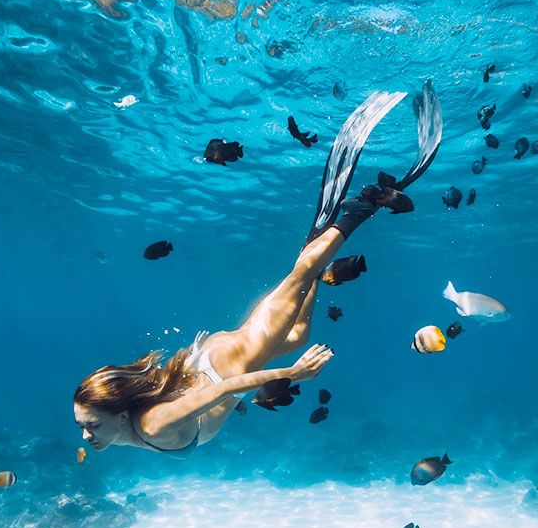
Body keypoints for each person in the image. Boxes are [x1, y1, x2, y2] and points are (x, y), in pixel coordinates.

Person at [73, 82, 442, 456]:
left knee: (297, 281)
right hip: (214, 359)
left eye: (90, 424)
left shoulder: (152, 424)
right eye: (83, 426)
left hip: (228, 366)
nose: (86, 435)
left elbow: (222, 390)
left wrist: (292, 376)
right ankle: (315, 247)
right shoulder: (134, 423)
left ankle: (360, 211)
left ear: (120, 415)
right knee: (298, 332)